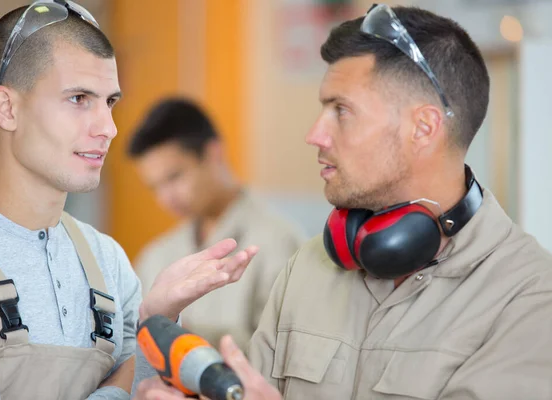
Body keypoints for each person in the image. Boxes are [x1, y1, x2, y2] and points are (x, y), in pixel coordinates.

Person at [137, 3, 552, 400]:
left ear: (423, 127)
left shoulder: (529, 298)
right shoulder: (308, 266)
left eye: (342, 110)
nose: (315, 134)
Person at [0, 2, 256, 400]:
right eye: (79, 98)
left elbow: (145, 389)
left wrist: (155, 318)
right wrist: (114, 388)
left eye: (109, 102)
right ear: (7, 109)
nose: (109, 128)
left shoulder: (107, 261)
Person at [127, 98, 304, 348]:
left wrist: (190, 340)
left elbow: (286, 353)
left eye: (174, 177)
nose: (165, 199)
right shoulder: (158, 255)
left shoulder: (278, 242)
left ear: (212, 153)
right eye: (155, 187)